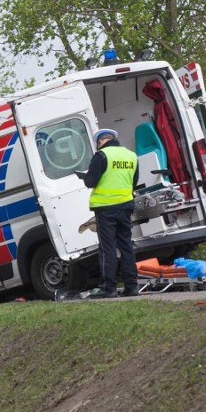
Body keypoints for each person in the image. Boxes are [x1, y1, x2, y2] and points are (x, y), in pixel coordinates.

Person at [81, 128, 140, 298]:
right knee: (126, 245)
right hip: (126, 206)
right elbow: (133, 182)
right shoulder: (131, 156)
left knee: (107, 248)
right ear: (113, 139)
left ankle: (109, 288)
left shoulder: (102, 156)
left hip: (106, 208)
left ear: (100, 142)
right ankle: (131, 286)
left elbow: (90, 182)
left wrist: (85, 177)